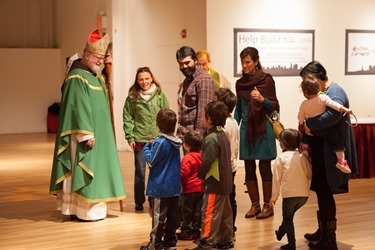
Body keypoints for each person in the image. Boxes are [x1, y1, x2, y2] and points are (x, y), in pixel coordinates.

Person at [49, 29, 126, 221]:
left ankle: (94, 208)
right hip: (84, 136)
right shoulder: (77, 76)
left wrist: (108, 77)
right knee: (86, 169)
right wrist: (86, 134)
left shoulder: (97, 77)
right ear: (86, 55)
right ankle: (81, 210)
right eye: (96, 57)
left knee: (101, 169)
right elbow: (77, 107)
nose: (100, 61)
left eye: (102, 57)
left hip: (101, 133)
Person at [300, 61, 358, 249]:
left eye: (308, 80)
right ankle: (323, 231)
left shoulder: (336, 91)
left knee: (325, 193)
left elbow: (331, 117)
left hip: (330, 153)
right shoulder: (323, 93)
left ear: (317, 78)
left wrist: (308, 125)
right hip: (322, 151)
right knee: (321, 191)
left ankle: (329, 240)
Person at [234, 47, 280, 219]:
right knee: (248, 167)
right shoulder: (240, 84)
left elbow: (274, 105)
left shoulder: (266, 80)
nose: (245, 66)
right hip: (247, 128)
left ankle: (268, 206)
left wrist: (262, 99)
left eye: (248, 62)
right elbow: (239, 108)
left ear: (256, 61)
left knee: (264, 166)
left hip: (263, 128)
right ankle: (255, 206)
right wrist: (232, 125)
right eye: (243, 62)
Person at [123, 67, 169, 211]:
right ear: (137, 80)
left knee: (156, 171)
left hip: (157, 140)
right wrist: (130, 136)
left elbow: (166, 115)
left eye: (147, 78)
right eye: (141, 79)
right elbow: (127, 117)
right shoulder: (132, 97)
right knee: (140, 171)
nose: (144, 82)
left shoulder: (160, 95)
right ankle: (139, 201)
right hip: (139, 139)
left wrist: (166, 135)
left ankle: (154, 198)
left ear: (151, 78)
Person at [140, 109, 182, 250]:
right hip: (174, 187)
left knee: (159, 218)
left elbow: (151, 160)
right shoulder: (177, 143)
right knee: (173, 217)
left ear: (158, 124)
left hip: (160, 188)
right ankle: (170, 243)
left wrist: (147, 146)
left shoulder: (160, 142)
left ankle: (155, 245)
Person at [195, 101, 234, 250]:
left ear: (209, 119)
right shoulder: (222, 134)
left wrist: (200, 173)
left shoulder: (211, 138)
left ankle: (207, 242)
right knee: (224, 214)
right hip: (225, 181)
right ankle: (225, 241)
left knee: (209, 212)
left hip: (215, 183)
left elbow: (208, 161)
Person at [298, 77, 353, 174]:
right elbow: (333, 104)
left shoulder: (303, 104)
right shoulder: (322, 97)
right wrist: (344, 109)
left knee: (306, 134)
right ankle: (341, 161)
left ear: (304, 93)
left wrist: (303, 124)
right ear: (318, 88)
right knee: (337, 141)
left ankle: (305, 150)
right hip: (325, 128)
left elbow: (300, 118)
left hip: (313, 129)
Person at [269, 129, 312, 250]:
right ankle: (280, 233)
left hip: (289, 196)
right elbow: (309, 174)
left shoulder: (281, 158)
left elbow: (276, 180)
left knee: (288, 219)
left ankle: (291, 244)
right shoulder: (302, 156)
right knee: (289, 216)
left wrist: (273, 197)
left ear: (283, 143)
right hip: (304, 196)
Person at [214, 88, 239, 238]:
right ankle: (229, 228)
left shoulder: (226, 125)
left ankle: (229, 229)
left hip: (226, 167)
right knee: (229, 197)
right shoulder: (233, 121)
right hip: (230, 166)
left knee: (227, 199)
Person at [175, 46, 216, 139]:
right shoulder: (187, 80)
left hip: (195, 139)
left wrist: (197, 141)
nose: (184, 66)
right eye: (181, 64)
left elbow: (203, 114)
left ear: (195, 60)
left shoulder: (204, 79)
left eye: (187, 62)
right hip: (185, 136)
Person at [179, 130, 204, 241]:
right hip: (200, 188)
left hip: (189, 190)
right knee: (198, 210)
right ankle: (196, 230)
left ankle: (187, 231)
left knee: (187, 211)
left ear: (187, 145)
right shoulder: (202, 155)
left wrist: (182, 187)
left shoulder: (187, 158)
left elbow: (183, 174)